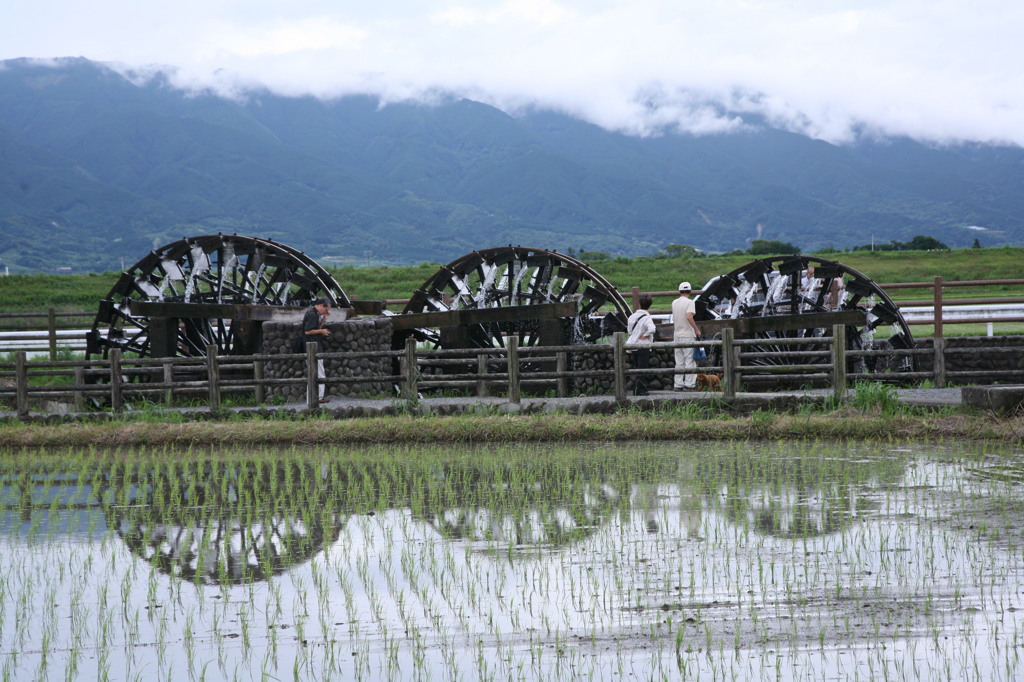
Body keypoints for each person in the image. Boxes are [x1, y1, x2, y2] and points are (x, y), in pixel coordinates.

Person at [671, 282, 701, 391]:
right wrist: (696, 329)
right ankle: (689, 385)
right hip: (688, 334)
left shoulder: (674, 302)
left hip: (677, 334)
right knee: (689, 360)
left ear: (679, 291)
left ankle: (678, 384)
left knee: (679, 361)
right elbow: (689, 316)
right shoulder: (690, 302)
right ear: (690, 291)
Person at [302, 298, 332, 403]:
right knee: (318, 372)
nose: (326, 312)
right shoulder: (312, 315)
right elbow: (308, 331)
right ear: (320, 306)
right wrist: (321, 331)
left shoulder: (314, 314)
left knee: (315, 371)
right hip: (312, 346)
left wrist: (323, 319)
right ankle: (317, 397)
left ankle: (314, 396)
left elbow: (313, 328)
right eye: (326, 309)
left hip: (312, 346)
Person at [625, 295, 656, 396]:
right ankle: (640, 390)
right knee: (642, 368)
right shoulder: (647, 318)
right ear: (649, 305)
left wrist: (636, 335)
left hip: (633, 345)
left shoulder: (632, 316)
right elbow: (652, 329)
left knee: (637, 367)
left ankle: (637, 389)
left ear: (639, 304)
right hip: (643, 346)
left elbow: (629, 330)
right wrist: (645, 335)